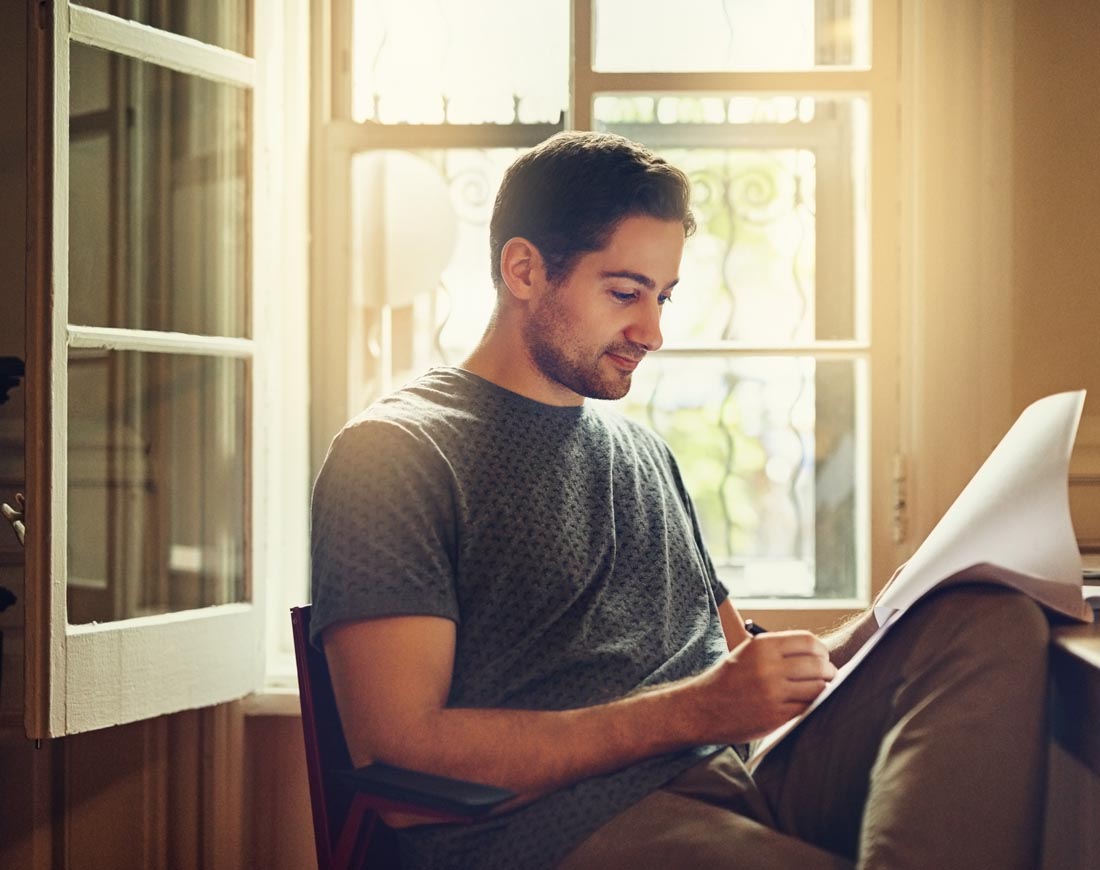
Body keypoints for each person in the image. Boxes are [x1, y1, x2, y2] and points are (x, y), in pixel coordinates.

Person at [310, 131, 1051, 869]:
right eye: (626, 293)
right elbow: (399, 757)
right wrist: (696, 711)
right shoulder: (399, 451)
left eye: (662, 297)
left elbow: (735, 667)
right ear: (525, 269)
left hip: (733, 786)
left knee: (984, 620)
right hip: (552, 832)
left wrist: (896, 615)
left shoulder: (642, 454)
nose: (654, 331)